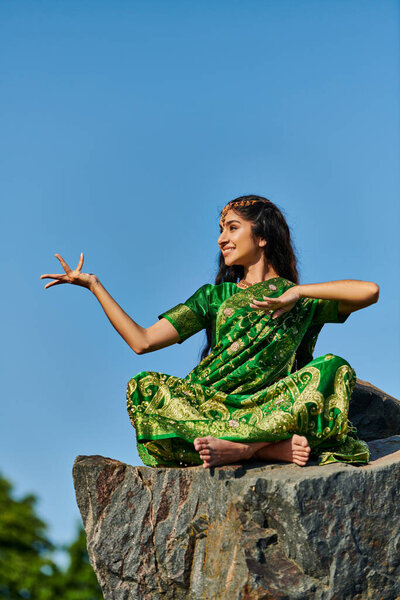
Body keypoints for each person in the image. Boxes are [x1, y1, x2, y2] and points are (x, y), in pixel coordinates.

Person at [40, 195, 379, 469]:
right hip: (209, 404)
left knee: (335, 367)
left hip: (269, 404)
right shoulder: (213, 297)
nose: (221, 239)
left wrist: (299, 292)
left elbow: (369, 291)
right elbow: (141, 342)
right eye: (220, 230)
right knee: (143, 387)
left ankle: (244, 448)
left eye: (232, 228)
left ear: (262, 237)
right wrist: (94, 286)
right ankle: (264, 449)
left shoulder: (302, 301)